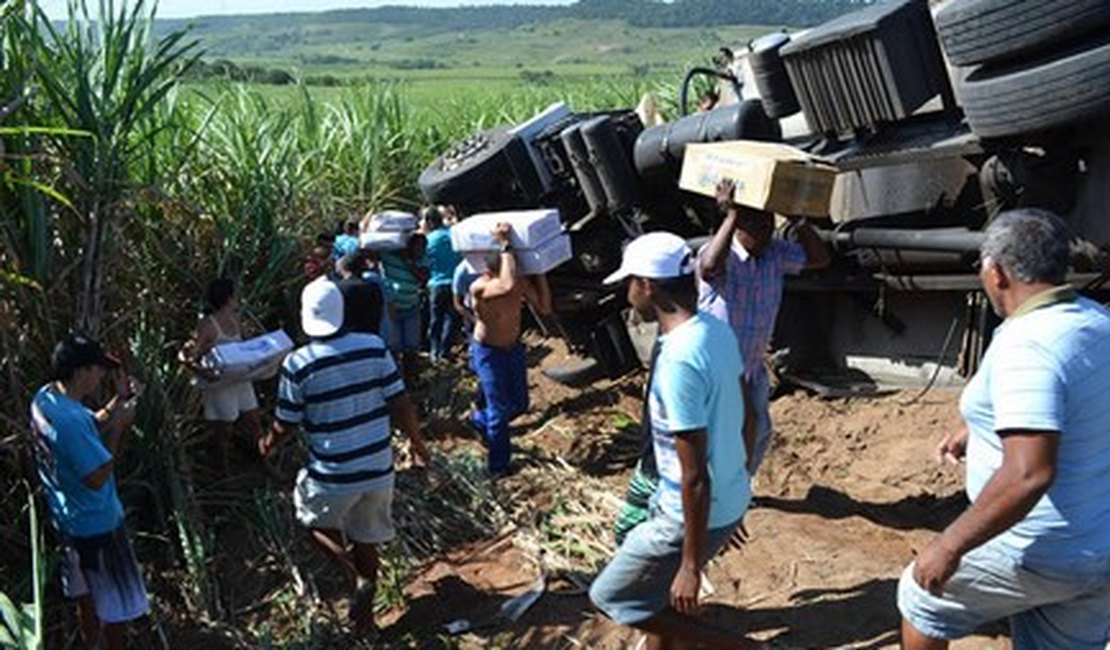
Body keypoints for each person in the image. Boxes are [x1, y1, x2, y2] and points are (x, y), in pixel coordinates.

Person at [898, 208, 1110, 649]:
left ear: (997, 273)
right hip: (1097, 547)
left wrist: (948, 546)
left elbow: (1028, 473)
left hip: (1039, 551)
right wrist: (980, 427)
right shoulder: (1094, 321)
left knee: (921, 594)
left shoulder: (1028, 344)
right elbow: (1073, 404)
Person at [588, 232, 763, 650]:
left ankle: (743, 647)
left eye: (630, 282)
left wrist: (690, 563)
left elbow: (694, 475)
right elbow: (749, 416)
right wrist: (736, 493)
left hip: (684, 514)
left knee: (611, 596)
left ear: (648, 286)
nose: (626, 291)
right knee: (666, 603)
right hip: (725, 499)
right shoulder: (716, 331)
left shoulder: (677, 362)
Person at [260, 279, 431, 634]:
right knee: (366, 536)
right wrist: (417, 443)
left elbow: (285, 423)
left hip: (333, 473)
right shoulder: (373, 347)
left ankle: (353, 574)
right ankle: (365, 622)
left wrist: (267, 444)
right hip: (378, 468)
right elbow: (400, 402)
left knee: (313, 522)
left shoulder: (299, 363)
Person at [699, 178, 830, 474]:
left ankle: (737, 493)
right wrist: (731, 214)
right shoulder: (723, 256)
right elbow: (708, 267)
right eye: (757, 223)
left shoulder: (776, 254)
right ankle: (715, 499)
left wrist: (799, 219)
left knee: (757, 436)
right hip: (717, 370)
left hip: (751, 369)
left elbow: (820, 259)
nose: (767, 229)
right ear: (739, 227)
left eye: (769, 221)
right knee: (716, 439)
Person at [30, 334, 149, 650]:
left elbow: (85, 430)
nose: (101, 376)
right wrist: (121, 427)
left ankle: (90, 644)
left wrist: (115, 404)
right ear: (81, 372)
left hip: (67, 520)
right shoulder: (69, 421)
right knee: (116, 605)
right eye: (98, 370)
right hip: (98, 526)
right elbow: (97, 476)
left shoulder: (46, 400)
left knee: (85, 595)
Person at [468, 223, 552, 477]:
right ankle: (498, 467)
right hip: (488, 353)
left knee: (519, 404)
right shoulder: (481, 288)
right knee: (498, 412)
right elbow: (505, 287)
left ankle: (477, 420)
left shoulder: (518, 283)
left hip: (512, 349)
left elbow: (545, 308)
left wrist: (540, 274)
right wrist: (506, 244)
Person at [178, 278, 265, 471]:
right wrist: (202, 372)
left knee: (254, 421)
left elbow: (244, 346)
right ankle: (222, 470)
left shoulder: (236, 318)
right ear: (228, 298)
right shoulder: (208, 325)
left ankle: (264, 460)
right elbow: (186, 356)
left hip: (241, 380)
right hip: (220, 384)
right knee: (223, 430)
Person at [381, 234, 428, 385]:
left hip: (411, 308)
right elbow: (368, 250)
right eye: (418, 247)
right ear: (409, 246)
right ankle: (395, 383)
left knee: (411, 347)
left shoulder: (423, 260)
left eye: (423, 247)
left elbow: (422, 277)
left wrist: (407, 261)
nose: (421, 250)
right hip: (391, 309)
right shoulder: (389, 256)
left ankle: (411, 379)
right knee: (393, 348)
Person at [422, 206, 463, 363]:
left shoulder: (429, 240)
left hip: (436, 284)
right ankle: (445, 352)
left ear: (430, 222)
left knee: (436, 319)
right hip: (454, 283)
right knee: (452, 318)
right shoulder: (453, 235)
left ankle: (434, 352)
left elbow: (424, 262)